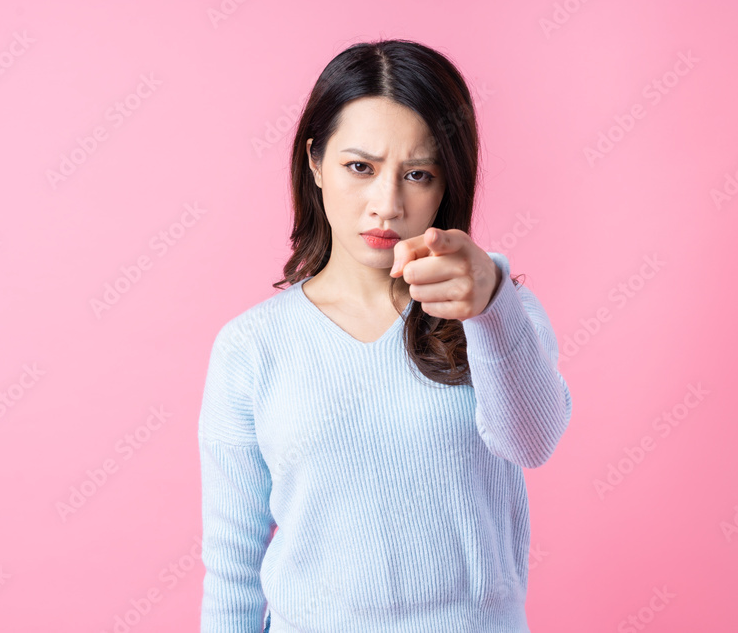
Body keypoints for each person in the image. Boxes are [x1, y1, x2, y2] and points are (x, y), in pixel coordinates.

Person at [199, 38, 572, 632]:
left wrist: (491, 305)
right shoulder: (251, 348)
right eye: (360, 167)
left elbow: (533, 442)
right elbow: (233, 564)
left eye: (417, 174)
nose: (387, 204)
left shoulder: (502, 315)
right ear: (315, 162)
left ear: (447, 183)